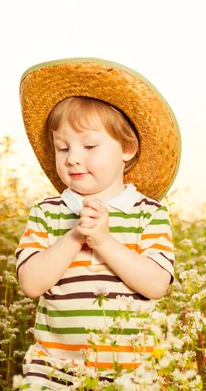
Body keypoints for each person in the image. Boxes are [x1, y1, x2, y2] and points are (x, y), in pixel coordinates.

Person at [16, 58, 181, 389]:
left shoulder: (149, 212)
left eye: (89, 145)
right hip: (53, 370)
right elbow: (31, 284)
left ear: (127, 149)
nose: (73, 157)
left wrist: (104, 241)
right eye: (63, 148)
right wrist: (76, 236)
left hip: (130, 372)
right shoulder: (47, 212)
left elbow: (156, 285)